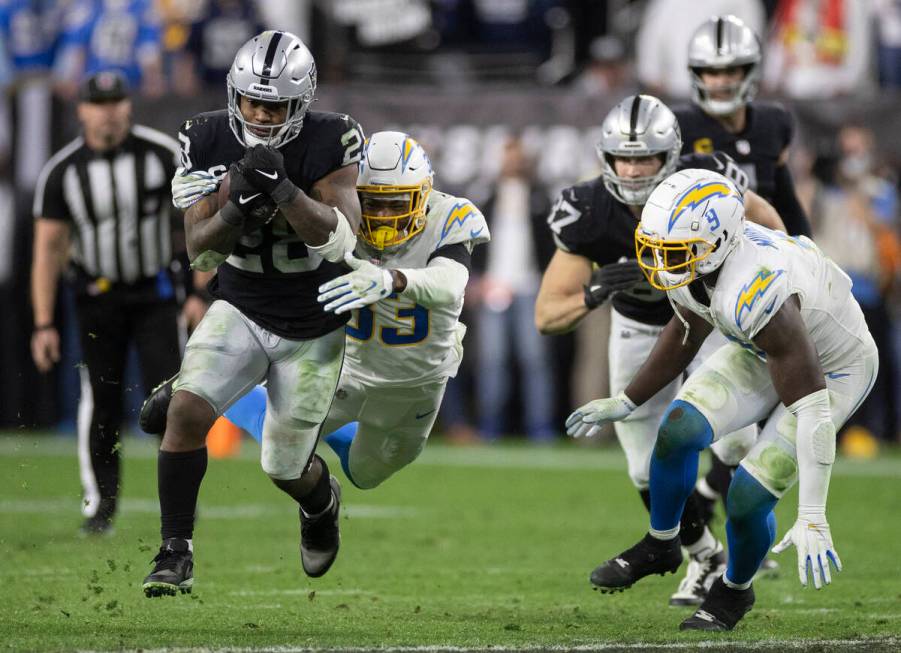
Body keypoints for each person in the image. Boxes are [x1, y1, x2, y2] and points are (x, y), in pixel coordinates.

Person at [569, 168, 877, 631]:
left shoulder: (756, 287)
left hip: (833, 366)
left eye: (671, 251)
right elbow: (688, 326)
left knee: (748, 497)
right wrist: (629, 401)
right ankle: (663, 541)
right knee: (678, 428)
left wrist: (813, 512)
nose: (659, 262)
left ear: (717, 243)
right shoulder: (702, 258)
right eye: (654, 247)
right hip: (764, 345)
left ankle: (734, 591)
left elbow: (811, 406)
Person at [534, 94, 784, 607]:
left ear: (669, 156)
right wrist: (595, 291)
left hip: (711, 321)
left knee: (734, 443)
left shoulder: (709, 181)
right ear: (605, 158)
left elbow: (770, 228)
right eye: (622, 157)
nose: (631, 168)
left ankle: (741, 553)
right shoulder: (589, 210)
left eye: (643, 157)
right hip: (639, 327)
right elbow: (547, 314)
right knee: (644, 469)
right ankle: (703, 556)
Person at [140, 30, 364, 598]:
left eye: (275, 104)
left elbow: (340, 242)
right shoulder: (205, 133)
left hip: (315, 324)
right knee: (187, 413)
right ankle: (174, 551)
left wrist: (285, 191)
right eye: (252, 101)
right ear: (233, 94)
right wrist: (238, 205)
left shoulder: (332, 138)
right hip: (239, 303)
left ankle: (321, 503)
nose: (261, 115)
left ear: (302, 102)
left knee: (284, 468)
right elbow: (202, 252)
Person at [141, 130, 488, 489]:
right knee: (281, 446)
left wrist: (393, 280)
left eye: (396, 204)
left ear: (423, 196)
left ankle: (262, 400)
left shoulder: (451, 216)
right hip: (345, 368)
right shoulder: (339, 215)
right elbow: (268, 198)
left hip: (417, 381)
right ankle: (205, 383)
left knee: (366, 475)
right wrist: (213, 187)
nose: (383, 216)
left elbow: (451, 283)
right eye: (372, 203)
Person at [31, 70, 188, 535]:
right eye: (99, 103)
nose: (108, 111)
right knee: (100, 403)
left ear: (128, 107)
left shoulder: (162, 155)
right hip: (96, 298)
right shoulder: (62, 171)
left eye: (116, 101)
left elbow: (196, 226)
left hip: (156, 293)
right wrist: (43, 322)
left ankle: (177, 500)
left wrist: (200, 292)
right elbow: (48, 248)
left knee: (172, 400)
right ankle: (100, 506)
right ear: (81, 110)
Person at [673, 13, 813, 525]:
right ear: (695, 75)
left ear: (751, 70)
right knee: (731, 430)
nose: (721, 80)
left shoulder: (774, 122)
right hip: (709, 288)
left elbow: (784, 195)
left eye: (731, 69)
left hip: (767, 278)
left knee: (780, 408)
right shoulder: (681, 130)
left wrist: (808, 253)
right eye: (710, 72)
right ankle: (707, 512)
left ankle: (727, 509)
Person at [473, 136, 555, 442]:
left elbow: (551, 244)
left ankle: (540, 427)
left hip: (530, 287)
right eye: (509, 157)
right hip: (494, 287)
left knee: (535, 361)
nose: (513, 164)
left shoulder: (539, 196)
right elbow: (474, 242)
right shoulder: (488, 195)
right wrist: (478, 279)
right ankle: (490, 426)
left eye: (518, 158)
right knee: (492, 362)